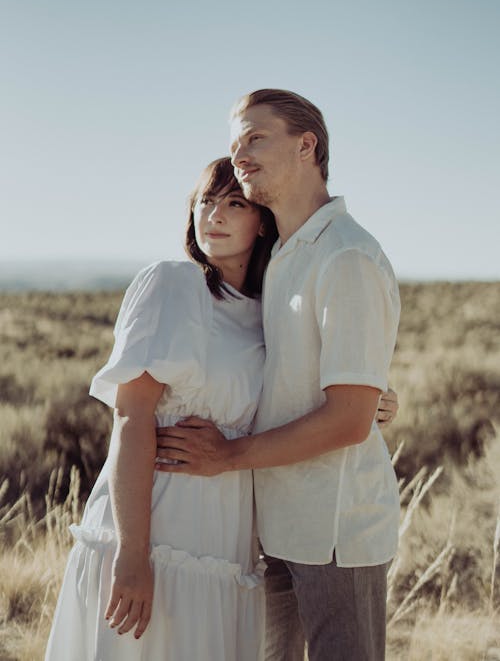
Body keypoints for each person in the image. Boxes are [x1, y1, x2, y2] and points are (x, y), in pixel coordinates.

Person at [155, 89, 401, 661]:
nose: (239, 154)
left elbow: (347, 419)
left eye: (254, 138)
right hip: (275, 527)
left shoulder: (347, 256)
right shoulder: (286, 257)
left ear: (306, 146)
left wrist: (228, 456)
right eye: (234, 143)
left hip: (336, 533)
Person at [45, 157, 278, 661]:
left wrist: (374, 403)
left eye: (233, 203)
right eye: (204, 202)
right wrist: (132, 554)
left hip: (224, 535)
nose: (213, 214)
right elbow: (131, 417)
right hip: (155, 526)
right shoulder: (174, 284)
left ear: (262, 220)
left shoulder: (269, 310)